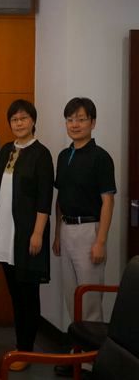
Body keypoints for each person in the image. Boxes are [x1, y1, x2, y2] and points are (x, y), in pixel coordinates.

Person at [0, 100, 53, 372]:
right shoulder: (7, 150)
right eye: (14, 119)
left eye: (24, 118)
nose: (19, 123)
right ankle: (20, 345)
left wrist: (38, 233)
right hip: (5, 236)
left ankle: (27, 350)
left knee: (28, 296)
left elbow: (44, 198)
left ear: (33, 121)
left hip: (28, 236)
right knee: (15, 295)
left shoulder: (41, 154)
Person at [52, 98, 116, 322]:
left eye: (80, 119)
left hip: (89, 231)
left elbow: (108, 201)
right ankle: (77, 343)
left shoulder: (101, 157)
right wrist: (57, 234)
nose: (75, 124)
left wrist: (100, 242)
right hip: (66, 229)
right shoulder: (63, 156)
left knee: (89, 298)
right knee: (71, 296)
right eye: (70, 120)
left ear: (93, 122)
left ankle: (91, 346)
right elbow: (60, 198)